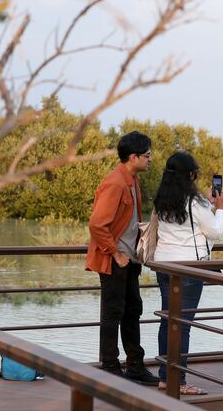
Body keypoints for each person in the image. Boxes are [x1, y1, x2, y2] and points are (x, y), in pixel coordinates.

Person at [85, 131, 159, 385]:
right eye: (147, 155)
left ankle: (135, 365)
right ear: (133, 156)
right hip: (115, 259)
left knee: (132, 310)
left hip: (130, 260)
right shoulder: (115, 183)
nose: (150, 159)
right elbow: (97, 224)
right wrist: (115, 253)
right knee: (113, 312)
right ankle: (110, 366)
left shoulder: (132, 180)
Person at [153, 151, 223, 395]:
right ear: (190, 174)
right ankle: (180, 381)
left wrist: (207, 204)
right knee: (182, 325)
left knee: (168, 321)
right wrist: (220, 209)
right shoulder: (195, 202)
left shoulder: (161, 198)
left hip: (164, 266)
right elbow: (215, 231)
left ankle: (165, 377)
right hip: (188, 268)